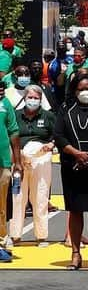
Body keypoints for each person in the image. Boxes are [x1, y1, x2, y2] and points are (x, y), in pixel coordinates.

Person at [53, 73, 88, 270]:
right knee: (74, 211)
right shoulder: (65, 110)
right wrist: (76, 154)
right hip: (71, 165)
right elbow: (58, 135)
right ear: (74, 90)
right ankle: (75, 252)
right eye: (81, 89)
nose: (85, 93)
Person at [11, 86, 56, 247]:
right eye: (30, 97)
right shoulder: (15, 115)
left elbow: (56, 135)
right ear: (24, 98)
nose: (33, 100)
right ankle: (15, 235)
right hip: (19, 158)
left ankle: (41, 236)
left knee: (40, 196)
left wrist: (51, 144)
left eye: (36, 97)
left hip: (41, 158)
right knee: (18, 196)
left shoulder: (48, 116)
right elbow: (11, 134)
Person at [0, 89, 21, 259]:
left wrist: (18, 161)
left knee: (1, 207)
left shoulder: (5, 103)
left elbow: (13, 131)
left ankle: (1, 241)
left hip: (3, 163)